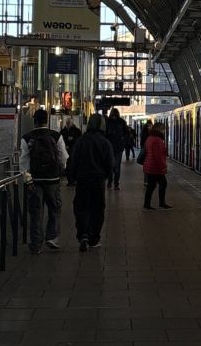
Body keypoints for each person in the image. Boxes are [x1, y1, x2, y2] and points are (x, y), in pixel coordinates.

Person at [19, 108, 68, 253]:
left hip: (35, 180)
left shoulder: (26, 138)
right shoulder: (56, 136)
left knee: (36, 212)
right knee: (55, 209)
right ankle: (52, 237)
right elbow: (63, 157)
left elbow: (23, 162)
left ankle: (36, 245)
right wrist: (60, 171)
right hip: (53, 179)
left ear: (34, 121)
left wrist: (28, 180)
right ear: (47, 120)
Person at [66, 113, 114, 252]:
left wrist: (72, 177)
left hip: (82, 179)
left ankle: (83, 234)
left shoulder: (81, 140)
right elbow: (110, 163)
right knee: (97, 209)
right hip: (98, 180)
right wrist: (108, 177)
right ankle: (94, 239)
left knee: (81, 207)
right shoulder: (105, 142)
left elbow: (73, 159)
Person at [142, 121, 170, 210]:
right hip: (155, 166)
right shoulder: (157, 140)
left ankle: (147, 204)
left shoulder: (150, 138)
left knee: (151, 186)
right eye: (163, 129)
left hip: (150, 165)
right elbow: (158, 155)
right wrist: (163, 166)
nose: (164, 131)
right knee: (162, 184)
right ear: (159, 130)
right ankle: (161, 204)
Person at [104, 107, 127, 190]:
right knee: (114, 166)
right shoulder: (121, 122)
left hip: (115, 147)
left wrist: (123, 139)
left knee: (114, 166)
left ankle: (114, 183)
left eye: (115, 115)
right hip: (114, 147)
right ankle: (112, 182)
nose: (114, 117)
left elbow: (126, 133)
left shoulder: (108, 122)